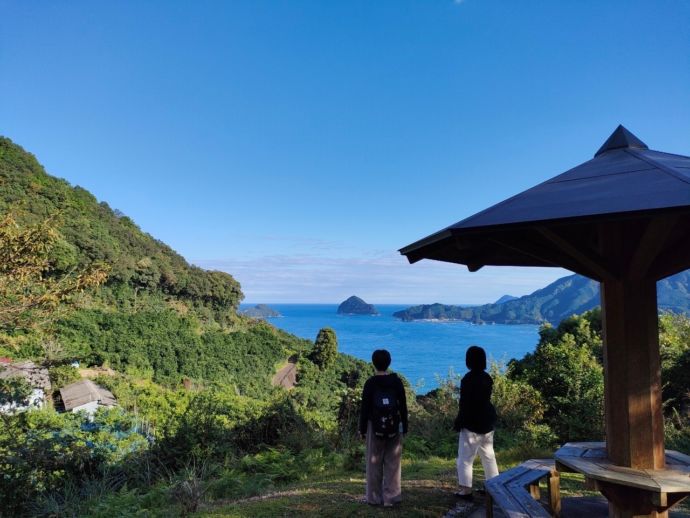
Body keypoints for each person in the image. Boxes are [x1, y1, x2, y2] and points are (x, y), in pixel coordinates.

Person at [359, 349, 408, 507]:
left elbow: (365, 409)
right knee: (393, 462)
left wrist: (362, 429)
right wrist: (405, 426)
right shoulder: (397, 381)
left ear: (374, 363)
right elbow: (403, 406)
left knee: (374, 462)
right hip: (394, 425)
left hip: (375, 426)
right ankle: (392, 498)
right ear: (389, 363)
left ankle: (374, 498)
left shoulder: (370, 383)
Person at [453, 345, 499, 500]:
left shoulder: (467, 379)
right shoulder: (487, 378)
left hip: (472, 423)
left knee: (465, 458)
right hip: (487, 421)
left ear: (469, 361)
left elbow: (465, 404)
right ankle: (493, 487)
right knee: (488, 455)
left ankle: (466, 490)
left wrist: (459, 421)